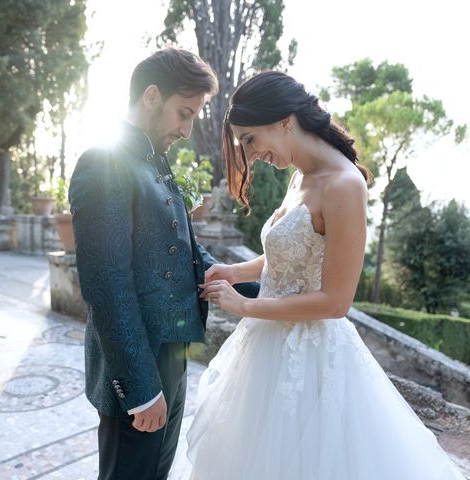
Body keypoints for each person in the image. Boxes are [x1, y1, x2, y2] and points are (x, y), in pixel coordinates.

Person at [179, 71, 465, 479]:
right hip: (264, 347)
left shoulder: (344, 185)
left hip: (311, 358)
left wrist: (246, 303)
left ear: (284, 121)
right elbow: (285, 253)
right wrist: (234, 270)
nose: (250, 153)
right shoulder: (299, 175)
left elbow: (335, 302)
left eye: (250, 140)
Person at [69, 47, 259, 480]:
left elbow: (188, 252)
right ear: (151, 96)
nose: (187, 129)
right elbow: (106, 284)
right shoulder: (104, 162)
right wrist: (139, 389)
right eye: (184, 113)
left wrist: (269, 292)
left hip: (174, 353)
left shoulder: (156, 162)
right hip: (137, 365)